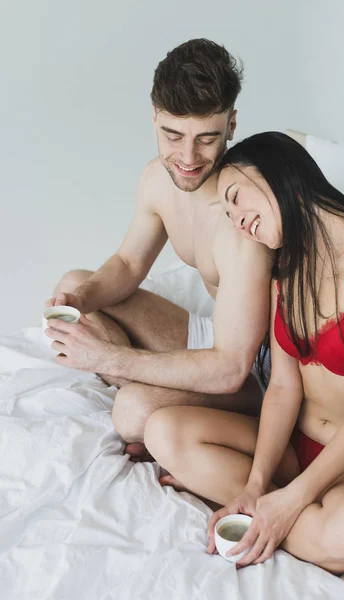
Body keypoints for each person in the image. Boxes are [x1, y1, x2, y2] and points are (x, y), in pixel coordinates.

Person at [143, 132, 344, 574]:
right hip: (295, 451)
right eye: (228, 215)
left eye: (238, 199)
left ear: (282, 174)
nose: (239, 221)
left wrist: (291, 499)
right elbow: (282, 387)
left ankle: (278, 520)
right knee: (164, 431)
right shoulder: (286, 266)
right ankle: (274, 515)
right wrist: (258, 483)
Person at [44, 39, 273, 460]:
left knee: (132, 411)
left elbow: (231, 368)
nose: (188, 157)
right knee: (76, 282)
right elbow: (130, 263)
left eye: (207, 139)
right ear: (154, 119)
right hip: (216, 336)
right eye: (173, 135)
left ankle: (169, 410)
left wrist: (112, 358)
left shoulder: (243, 212)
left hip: (258, 373)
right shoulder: (157, 178)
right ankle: (156, 392)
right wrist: (81, 300)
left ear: (232, 126)